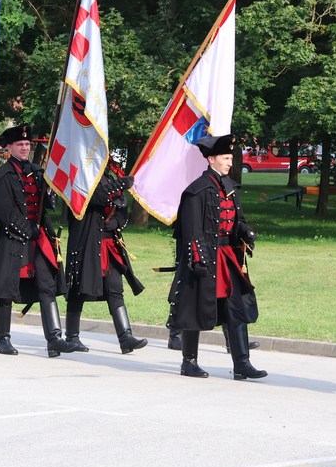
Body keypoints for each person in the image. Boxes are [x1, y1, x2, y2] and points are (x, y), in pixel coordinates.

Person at [168, 134, 263, 379]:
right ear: (211, 159)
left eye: (231, 157)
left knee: (236, 307)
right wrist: (198, 259)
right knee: (195, 307)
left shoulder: (229, 187)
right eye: (225, 157)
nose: (230, 162)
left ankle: (242, 364)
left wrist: (245, 231)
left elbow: (237, 219)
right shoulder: (196, 191)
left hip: (227, 256)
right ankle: (188, 362)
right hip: (203, 258)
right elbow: (191, 230)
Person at [0, 124, 78, 357]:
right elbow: (4, 212)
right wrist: (28, 230)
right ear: (10, 148)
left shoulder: (38, 172)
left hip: (39, 239)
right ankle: (2, 339)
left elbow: (48, 205)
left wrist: (51, 192)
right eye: (20, 145)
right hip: (13, 238)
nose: (25, 148)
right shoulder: (1, 177)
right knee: (6, 288)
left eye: (27, 144)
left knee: (47, 285)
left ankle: (54, 338)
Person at [64, 161, 147, 354]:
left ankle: (125, 337)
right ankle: (72, 337)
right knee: (79, 289)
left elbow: (122, 208)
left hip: (109, 243)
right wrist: (120, 184)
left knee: (115, 289)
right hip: (86, 241)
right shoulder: (80, 179)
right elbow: (96, 197)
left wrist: (117, 220)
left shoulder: (109, 179)